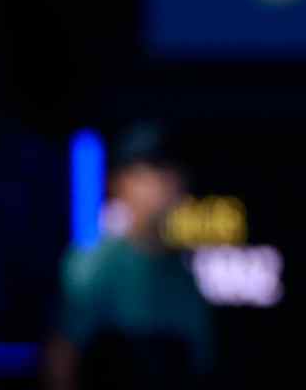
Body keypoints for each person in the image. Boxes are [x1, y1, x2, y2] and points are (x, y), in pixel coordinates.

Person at [44, 123, 214, 390]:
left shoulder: (184, 276)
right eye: (148, 173)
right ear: (119, 183)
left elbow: (197, 364)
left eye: (170, 173)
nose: (163, 185)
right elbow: (61, 360)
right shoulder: (93, 266)